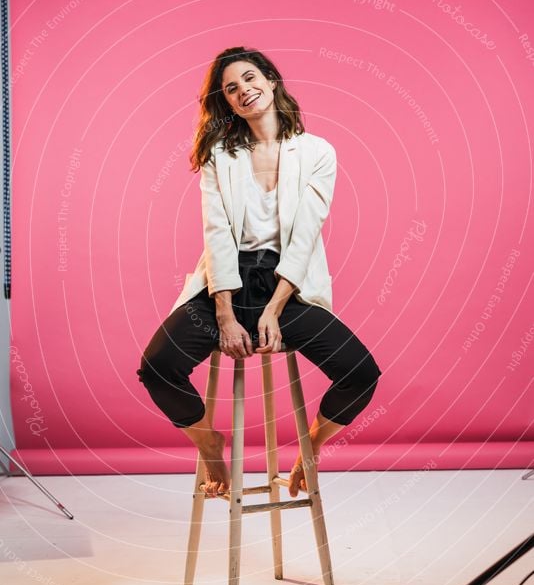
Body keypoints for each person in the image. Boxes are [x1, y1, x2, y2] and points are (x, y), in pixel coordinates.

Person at [137, 46, 382, 498]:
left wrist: (273, 309)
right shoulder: (220, 155)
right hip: (225, 285)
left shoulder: (317, 152)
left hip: (285, 288)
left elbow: (305, 236)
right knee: (157, 365)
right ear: (227, 103)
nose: (244, 90)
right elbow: (217, 235)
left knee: (361, 371)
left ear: (271, 80)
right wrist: (225, 315)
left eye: (250, 78)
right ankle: (208, 442)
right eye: (231, 88)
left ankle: (312, 446)